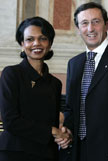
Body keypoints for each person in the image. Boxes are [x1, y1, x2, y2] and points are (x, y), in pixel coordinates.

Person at [55, 2, 108, 161]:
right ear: (78, 29)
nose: (90, 29)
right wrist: (67, 131)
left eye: (96, 21)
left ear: (106, 25)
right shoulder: (74, 64)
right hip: (78, 153)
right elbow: (72, 109)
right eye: (84, 23)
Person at [0, 16, 68, 161]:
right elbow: (10, 121)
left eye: (42, 38)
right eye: (30, 39)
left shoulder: (55, 83)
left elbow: (54, 124)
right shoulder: (11, 74)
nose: (36, 43)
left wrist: (63, 135)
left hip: (47, 154)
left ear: (49, 44)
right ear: (22, 44)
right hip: (15, 153)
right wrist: (52, 131)